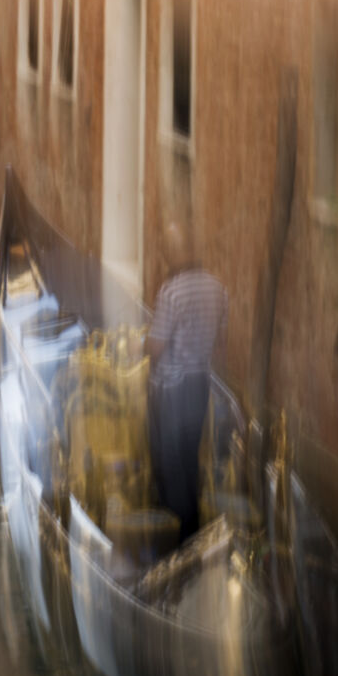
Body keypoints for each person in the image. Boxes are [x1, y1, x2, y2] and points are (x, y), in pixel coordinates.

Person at [146, 217, 227, 541]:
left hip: (170, 389)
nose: (164, 254)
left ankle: (178, 536)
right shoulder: (219, 288)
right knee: (191, 455)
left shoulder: (171, 292)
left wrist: (136, 345)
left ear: (172, 254)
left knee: (169, 459)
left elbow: (156, 346)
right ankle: (194, 530)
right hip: (200, 384)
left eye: (166, 249)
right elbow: (221, 343)